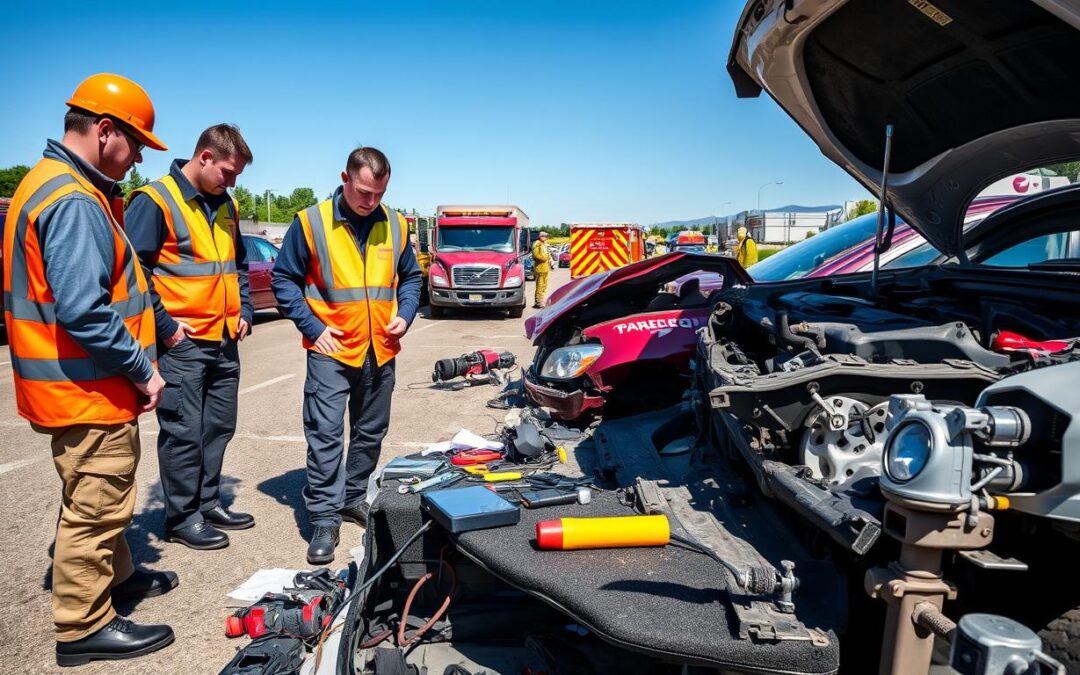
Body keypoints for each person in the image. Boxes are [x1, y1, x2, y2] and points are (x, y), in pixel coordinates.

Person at [3, 73, 177, 666]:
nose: (134, 162)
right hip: (87, 387)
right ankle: (82, 625)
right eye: (135, 145)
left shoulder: (47, 183)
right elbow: (84, 310)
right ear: (106, 132)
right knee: (97, 502)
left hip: (72, 385)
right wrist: (143, 370)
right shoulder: (74, 199)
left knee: (99, 492)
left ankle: (117, 579)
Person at [271, 147, 422, 564]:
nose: (369, 202)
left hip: (381, 348)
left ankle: (353, 495)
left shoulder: (395, 223)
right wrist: (313, 327)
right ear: (344, 178)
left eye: (378, 194)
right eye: (362, 192)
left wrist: (406, 314)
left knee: (371, 431)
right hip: (332, 349)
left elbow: (410, 277)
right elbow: (284, 279)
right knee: (325, 434)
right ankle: (323, 519)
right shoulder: (311, 222)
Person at [125, 125, 255, 550]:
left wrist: (246, 311)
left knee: (218, 426)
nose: (232, 181)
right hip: (182, 342)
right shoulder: (155, 200)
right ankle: (182, 518)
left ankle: (208, 501)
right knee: (183, 431)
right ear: (203, 158)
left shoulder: (226, 205)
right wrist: (166, 328)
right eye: (228, 172)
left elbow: (237, 265)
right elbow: (134, 274)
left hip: (223, 339)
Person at [531, 231, 551, 308]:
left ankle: (541, 301)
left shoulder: (543, 244)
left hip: (545, 268)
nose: (546, 238)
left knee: (544, 286)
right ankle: (539, 302)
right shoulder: (537, 244)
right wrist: (544, 258)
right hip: (540, 268)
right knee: (540, 286)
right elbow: (536, 255)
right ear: (540, 237)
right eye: (544, 236)